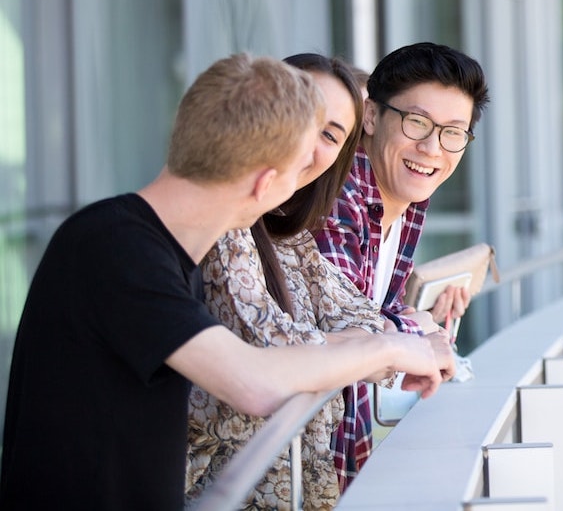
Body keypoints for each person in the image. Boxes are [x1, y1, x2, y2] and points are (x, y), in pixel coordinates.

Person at [0, 53, 454, 510]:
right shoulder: (118, 248)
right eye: (301, 168)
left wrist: (380, 345)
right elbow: (252, 381)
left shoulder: (136, 243)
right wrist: (388, 347)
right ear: (266, 183)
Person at [185, 54, 425, 508]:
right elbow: (269, 358)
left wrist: (376, 341)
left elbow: (358, 315)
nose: (307, 141)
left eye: (332, 133)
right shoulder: (222, 226)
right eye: (302, 117)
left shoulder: (289, 236)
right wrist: (383, 348)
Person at [314, 42, 490, 483]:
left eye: (453, 132)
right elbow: (339, 330)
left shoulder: (404, 198)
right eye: (417, 123)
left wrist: (416, 319)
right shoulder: (338, 197)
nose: (433, 148)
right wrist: (416, 330)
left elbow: (366, 313)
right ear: (371, 116)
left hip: (336, 461)